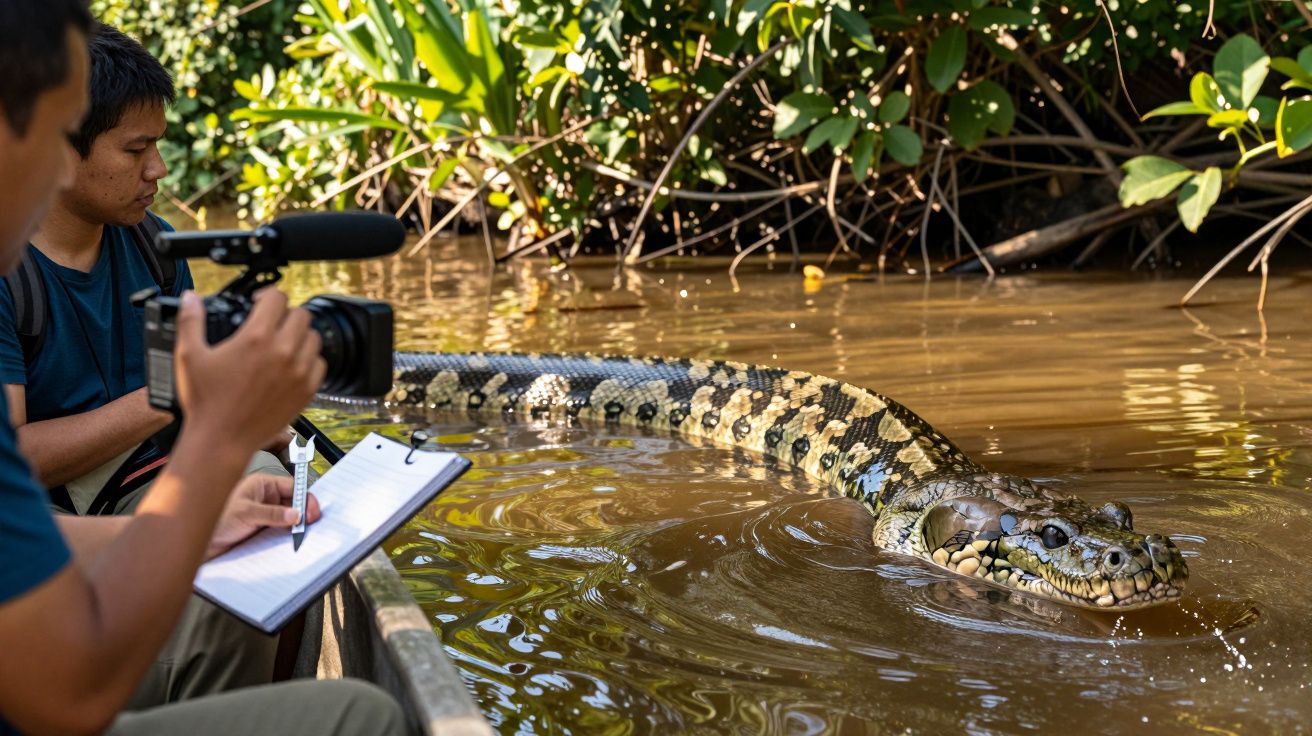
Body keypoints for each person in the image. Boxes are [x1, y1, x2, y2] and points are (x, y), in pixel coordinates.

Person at [0, 2, 408, 734]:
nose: (158, 170)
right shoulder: (14, 275)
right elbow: (21, 463)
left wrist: (268, 432)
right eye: (134, 151)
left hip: (136, 486)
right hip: (70, 508)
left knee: (265, 475)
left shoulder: (154, 243)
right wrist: (190, 403)